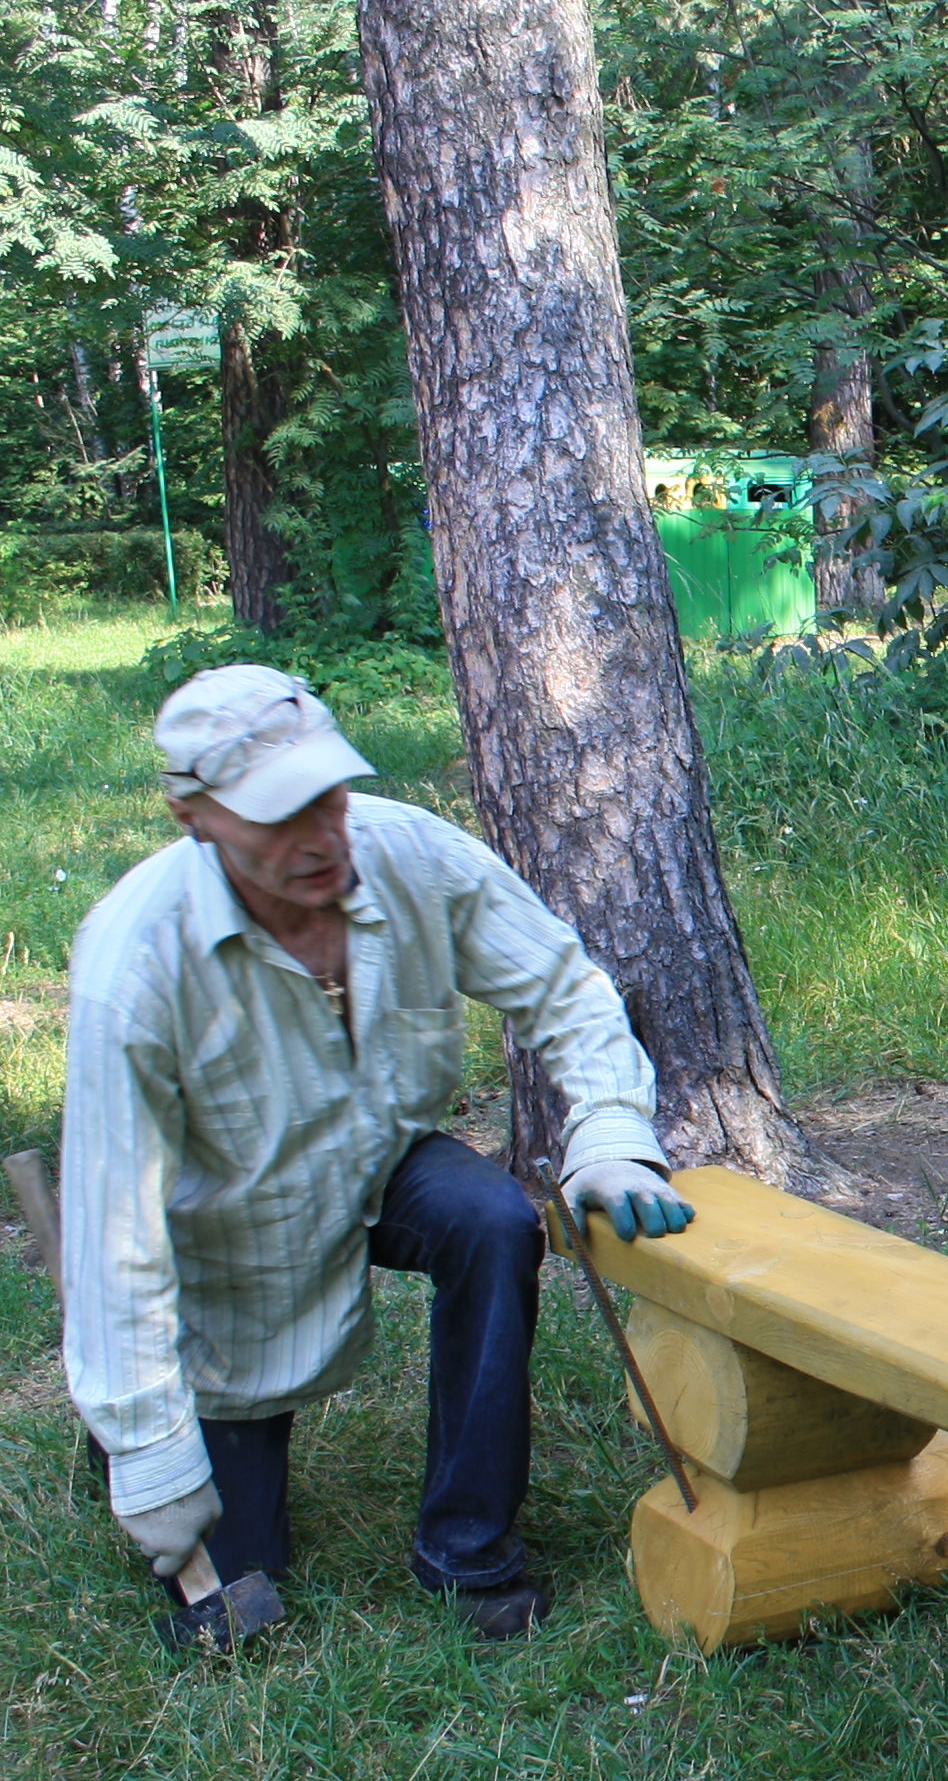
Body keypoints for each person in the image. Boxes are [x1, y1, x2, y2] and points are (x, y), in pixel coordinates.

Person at [61, 666, 699, 1644]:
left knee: (490, 1222)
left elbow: (565, 990)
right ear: (192, 815)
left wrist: (612, 1132)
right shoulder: (134, 963)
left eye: (328, 796)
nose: (319, 837)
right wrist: (150, 1453)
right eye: (277, 817)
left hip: (379, 1157)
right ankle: (126, 1433)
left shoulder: (411, 856)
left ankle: (469, 1552)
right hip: (232, 1230)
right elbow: (116, 1237)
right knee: (235, 1567)